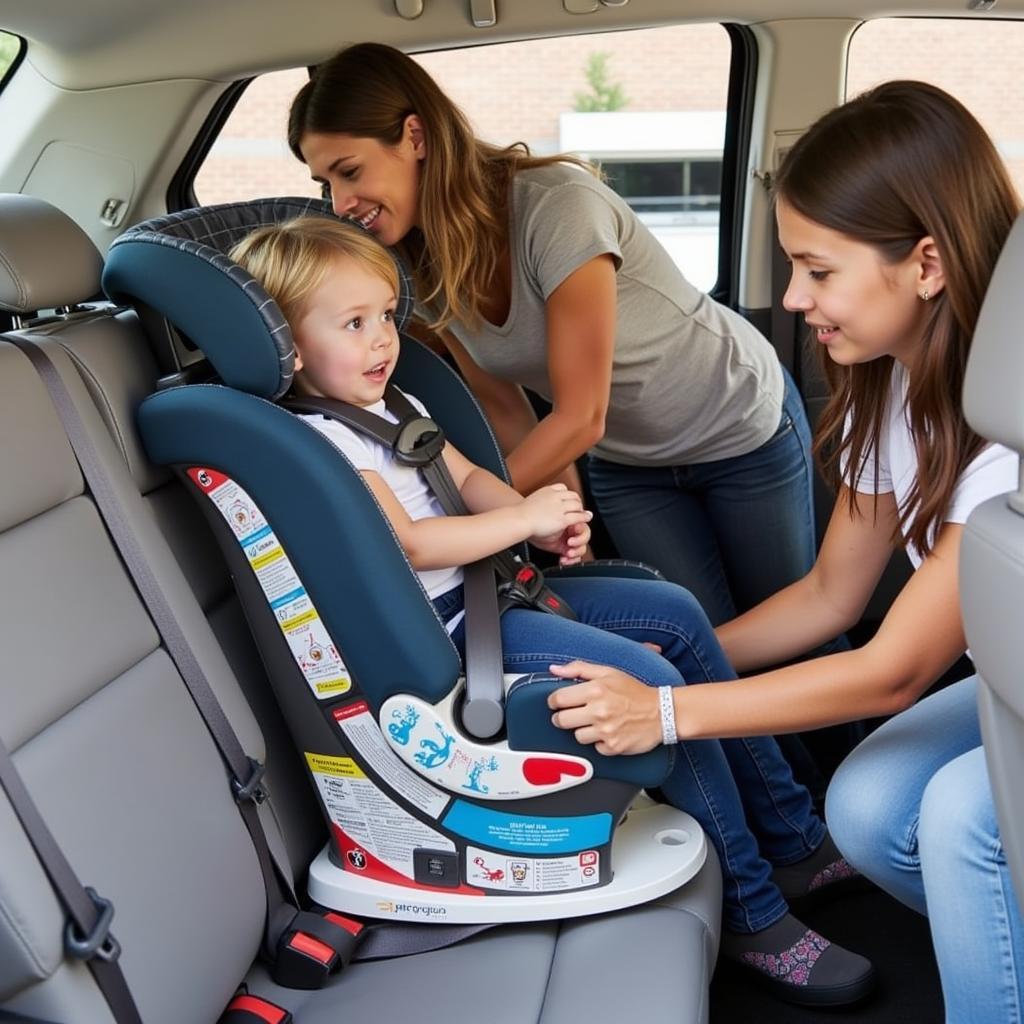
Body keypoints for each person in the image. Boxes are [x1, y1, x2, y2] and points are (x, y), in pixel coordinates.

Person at [229, 215, 875, 1007]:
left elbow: (465, 479)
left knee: (674, 611)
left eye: (387, 317)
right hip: (455, 638)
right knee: (650, 679)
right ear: (289, 347)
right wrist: (520, 523)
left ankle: (793, 837)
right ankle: (752, 908)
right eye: (353, 324)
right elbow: (413, 545)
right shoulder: (314, 440)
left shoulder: (388, 401)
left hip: (494, 593)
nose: (381, 341)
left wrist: (539, 515)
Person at [545, 80, 1023, 1024]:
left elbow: (892, 672)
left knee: (963, 823)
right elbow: (829, 599)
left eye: (817, 270)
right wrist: (661, 654)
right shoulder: (893, 388)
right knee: (868, 809)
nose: (795, 299)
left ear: (926, 263)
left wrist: (667, 713)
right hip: (1006, 679)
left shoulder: (1001, 423)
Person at [284, 41, 822, 631]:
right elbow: (507, 408)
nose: (339, 203)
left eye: (350, 171)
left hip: (734, 424)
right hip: (627, 461)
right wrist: (555, 521)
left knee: (795, 627)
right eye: (325, 182)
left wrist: (476, 519)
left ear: (415, 137)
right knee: (692, 630)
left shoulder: (558, 209)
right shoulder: (413, 267)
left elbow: (580, 414)